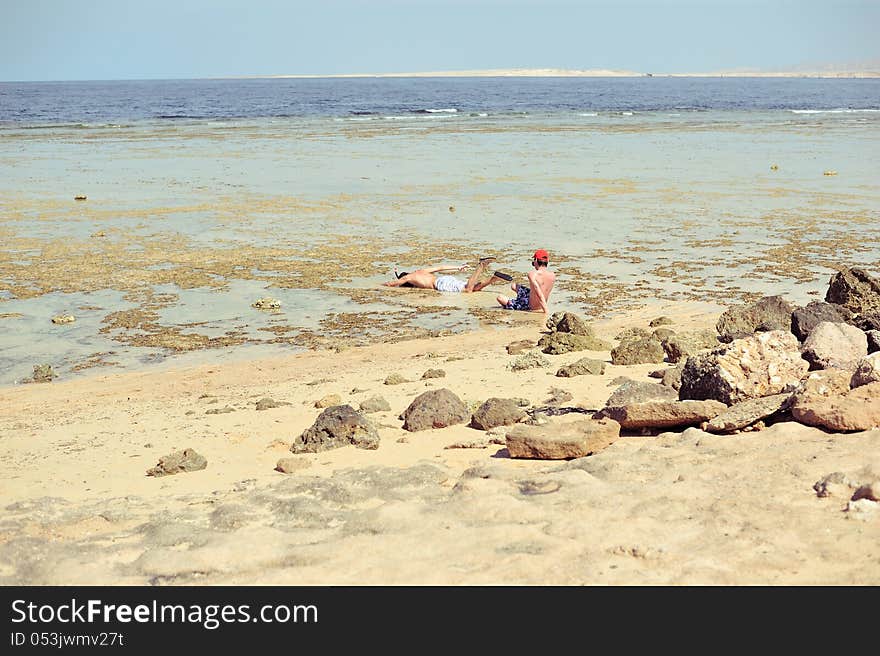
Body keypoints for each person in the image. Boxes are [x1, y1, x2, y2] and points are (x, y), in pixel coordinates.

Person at [382, 257, 506, 293]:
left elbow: (393, 284)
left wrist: (379, 286)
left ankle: (481, 266)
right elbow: (441, 267)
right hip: (443, 279)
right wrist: (458, 267)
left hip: (440, 284)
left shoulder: (409, 278)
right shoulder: (421, 271)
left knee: (467, 290)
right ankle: (493, 278)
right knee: (474, 288)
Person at [496, 248, 556, 313]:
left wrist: (546, 312)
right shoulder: (552, 275)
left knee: (500, 298)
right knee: (514, 286)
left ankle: (514, 304)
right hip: (538, 304)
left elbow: (539, 294)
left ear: (536, 260)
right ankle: (519, 299)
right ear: (547, 261)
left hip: (529, 306)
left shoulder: (533, 274)